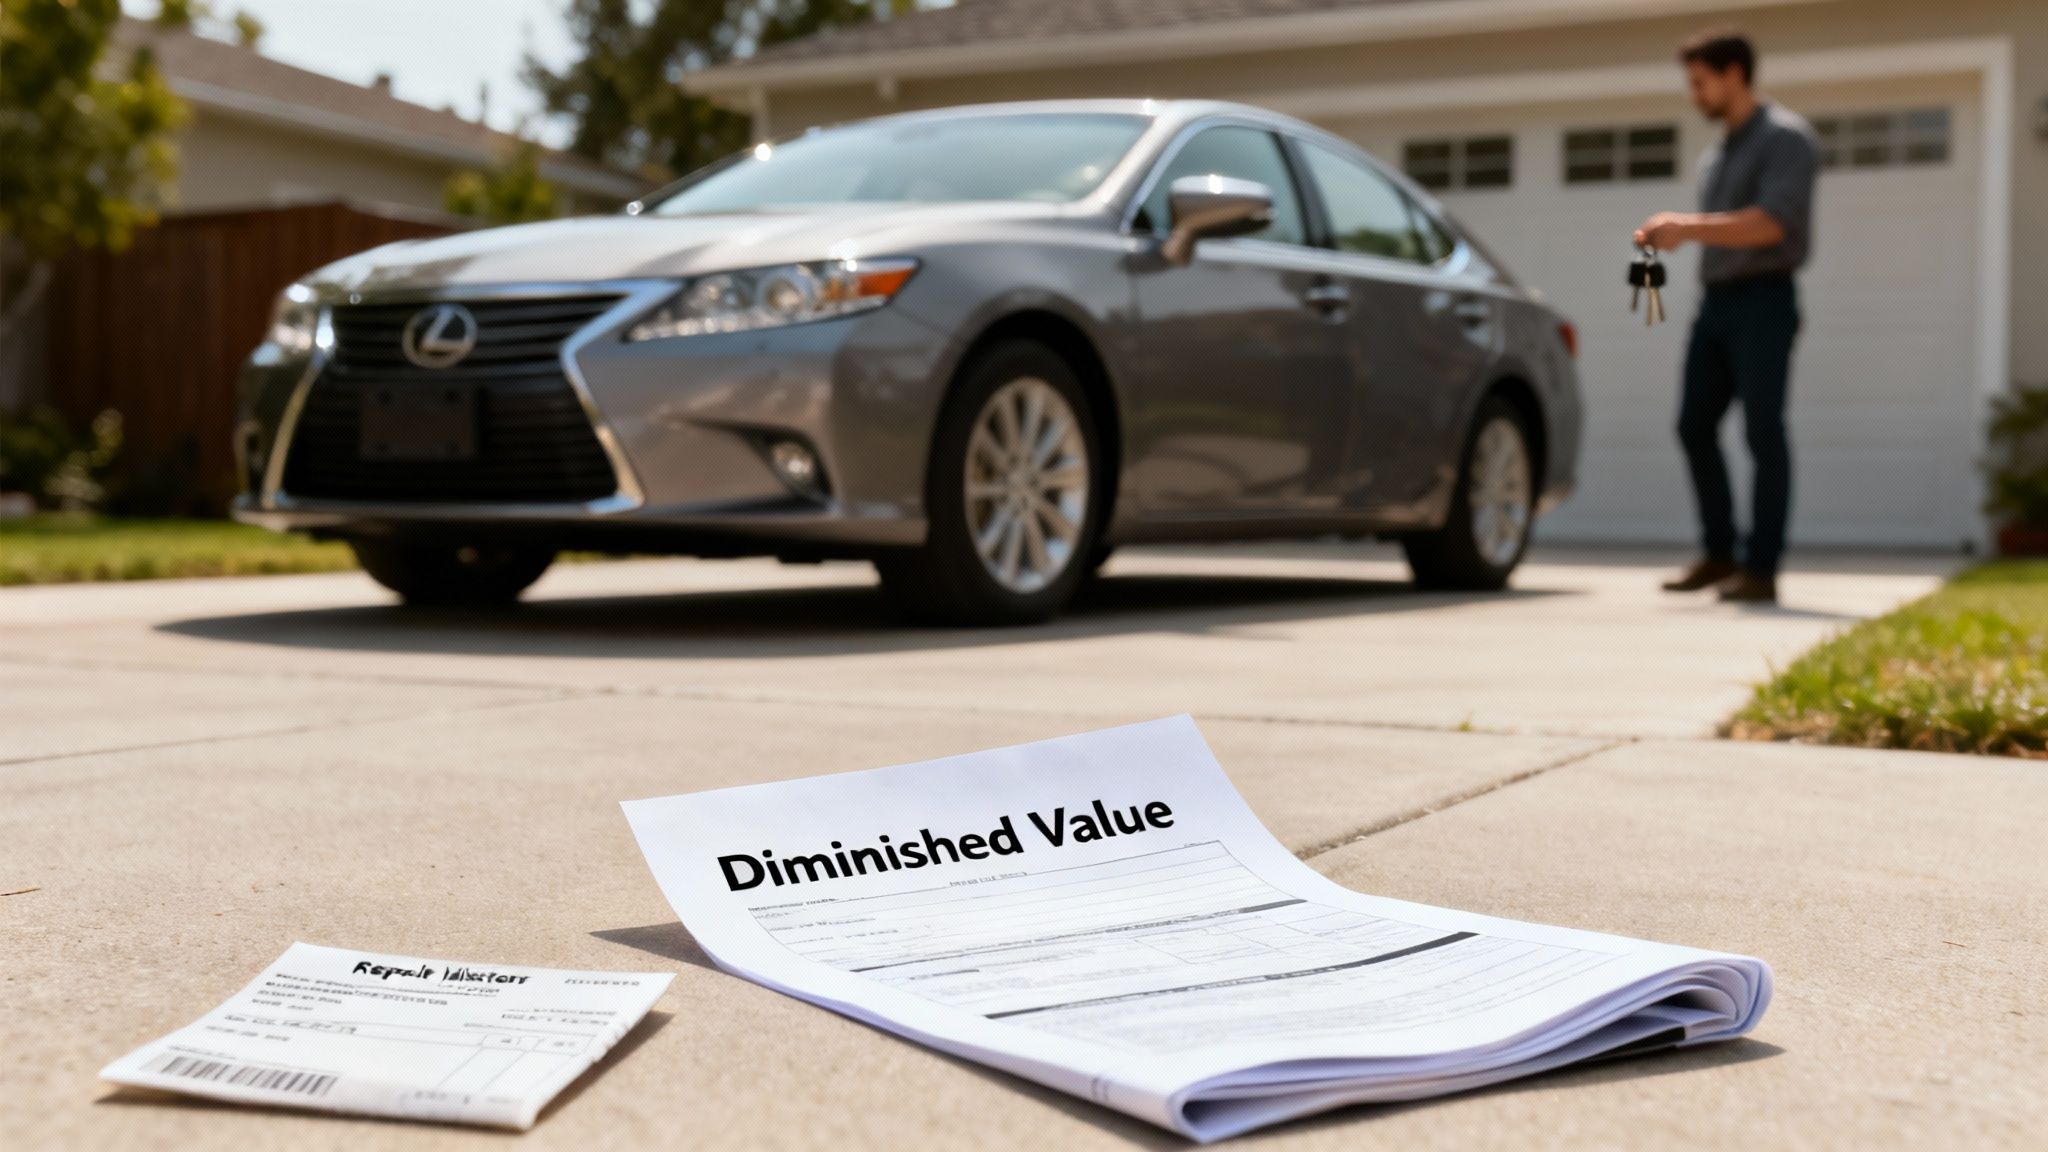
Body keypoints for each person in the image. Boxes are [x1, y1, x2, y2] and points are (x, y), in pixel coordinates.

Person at [1636, 29, 1819, 604]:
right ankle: (1720, 554)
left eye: (1700, 82)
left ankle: (1760, 568)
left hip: (1765, 298)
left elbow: (1771, 224)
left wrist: (1687, 227)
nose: (1695, 95)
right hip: (1714, 304)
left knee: (1764, 430)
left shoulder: (1786, 139)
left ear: (1734, 73)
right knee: (1693, 425)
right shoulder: (1716, 154)